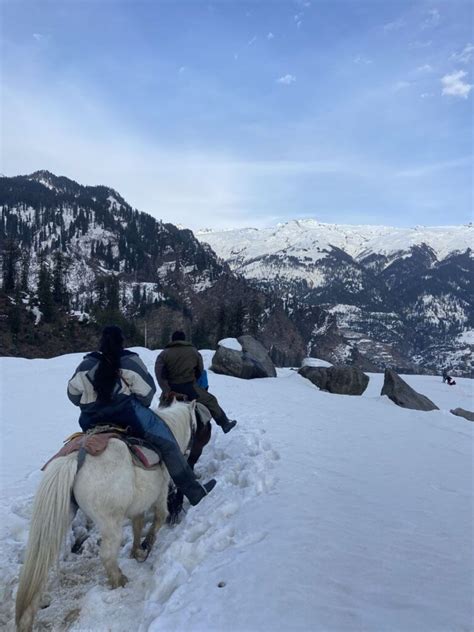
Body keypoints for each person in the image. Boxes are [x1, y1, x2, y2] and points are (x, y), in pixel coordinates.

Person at [67, 325, 216, 506]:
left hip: (90, 419)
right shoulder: (130, 361)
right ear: (122, 341)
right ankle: (194, 492)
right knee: (168, 442)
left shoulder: (85, 364)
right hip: (128, 416)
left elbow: (73, 396)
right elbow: (147, 394)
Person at [155, 331, 237, 433]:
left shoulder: (163, 354)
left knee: (161, 411)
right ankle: (224, 423)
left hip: (171, 389)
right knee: (211, 401)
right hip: (190, 388)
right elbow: (200, 370)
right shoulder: (194, 352)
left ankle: (157, 432)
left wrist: (167, 391)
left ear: (173, 340)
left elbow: (160, 375)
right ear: (184, 340)